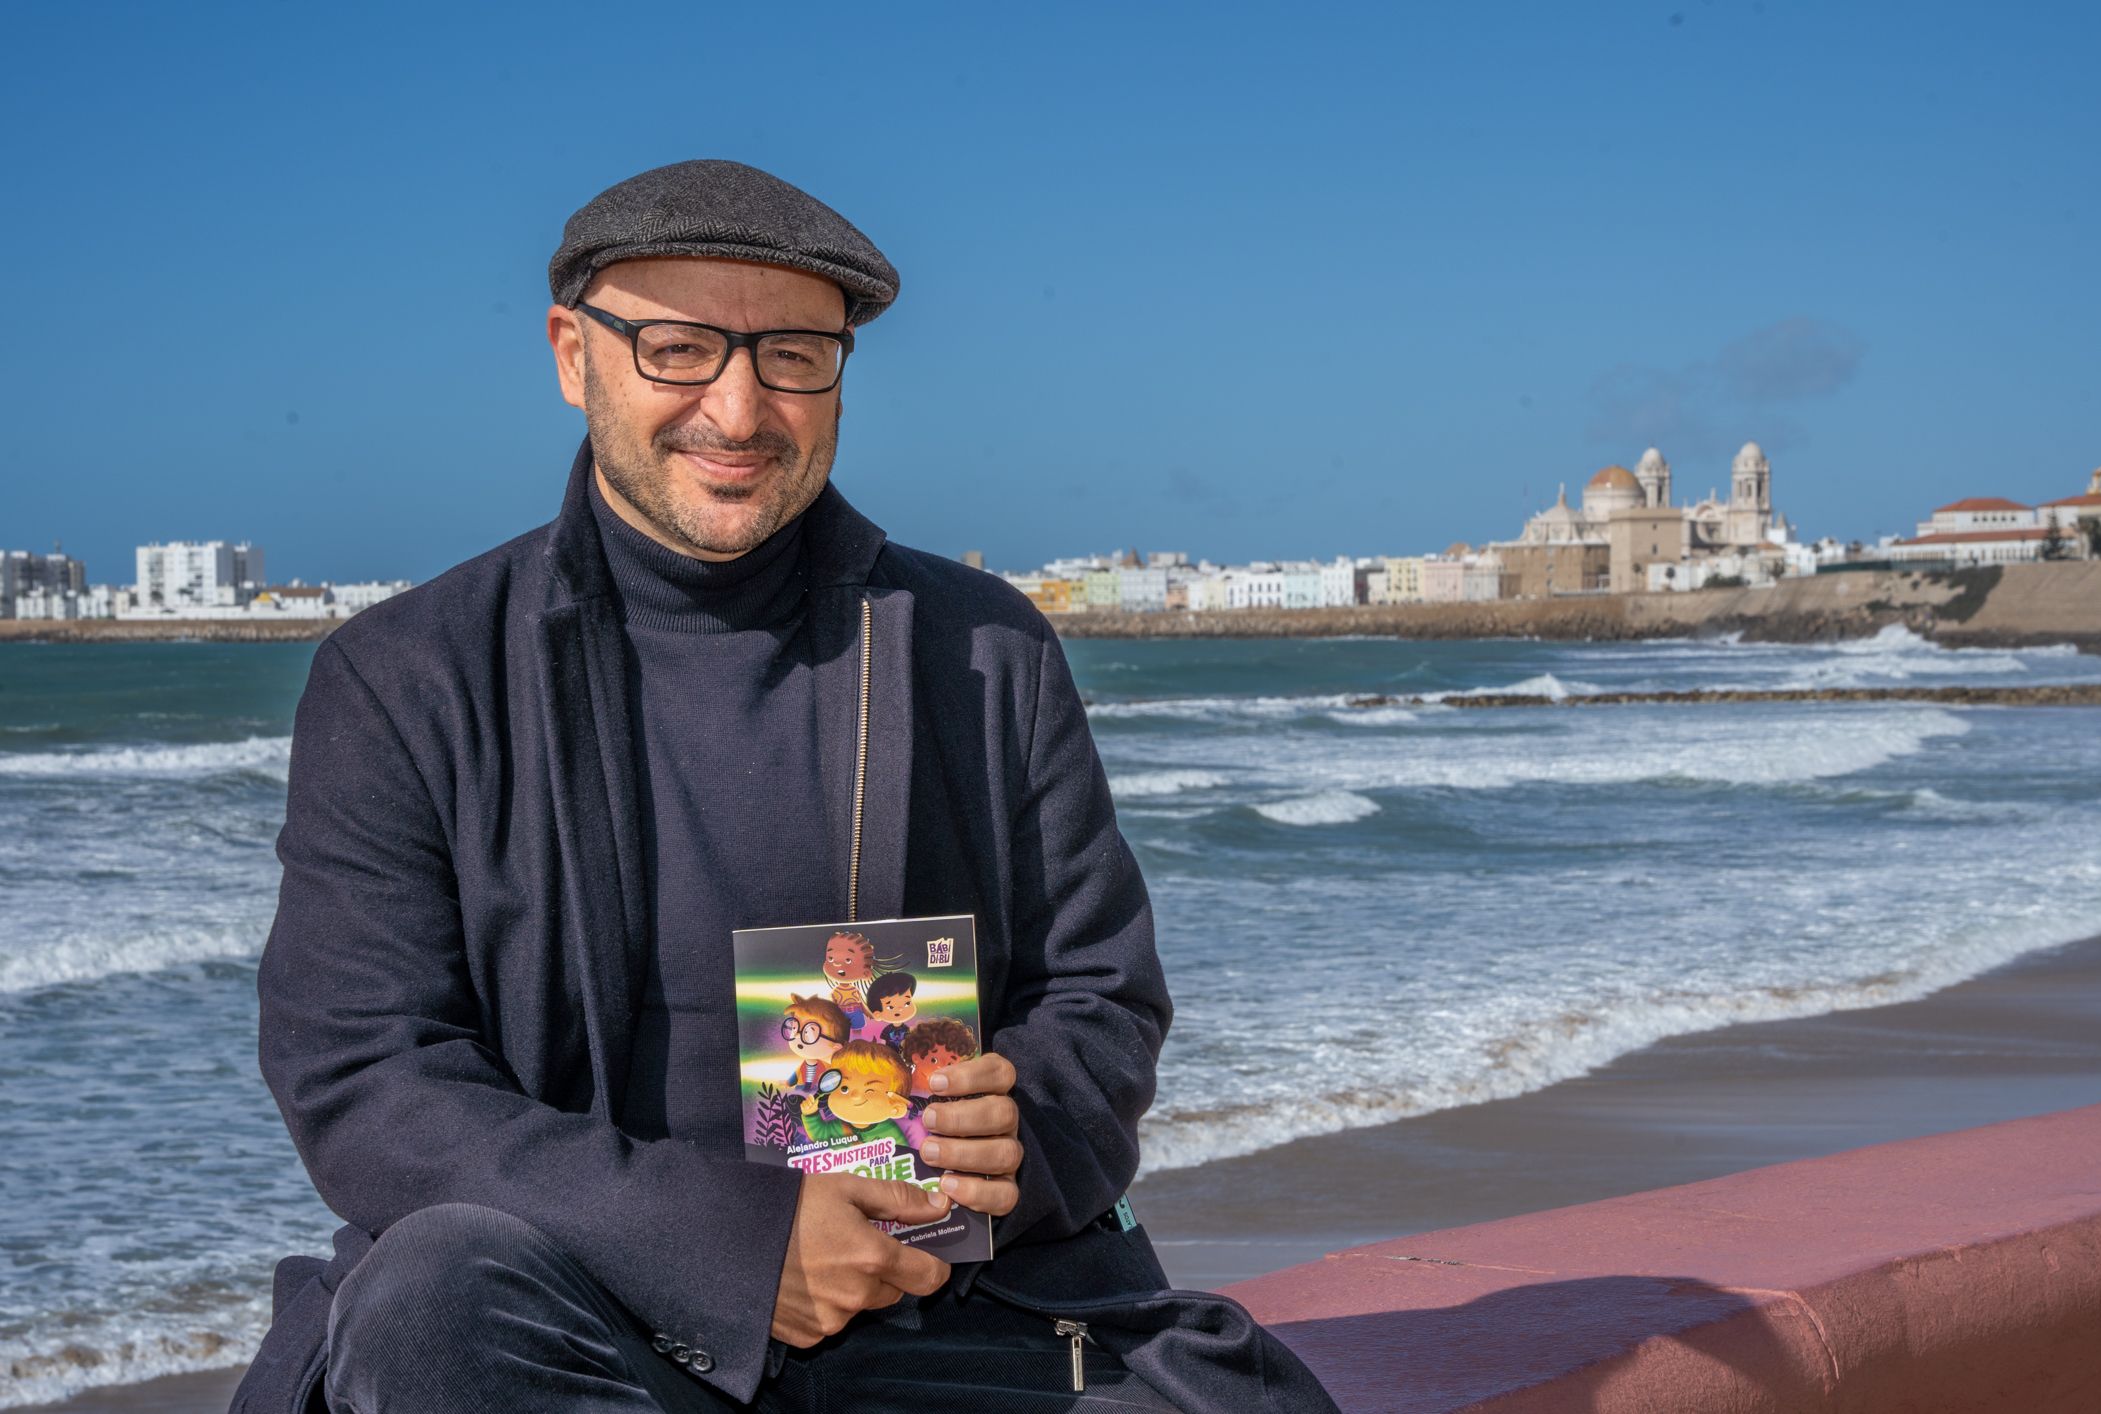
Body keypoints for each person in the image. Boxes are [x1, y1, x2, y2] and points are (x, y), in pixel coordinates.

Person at [234, 160, 1337, 1414]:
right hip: (580, 1315)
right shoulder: (405, 677)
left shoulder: (982, 647)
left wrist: (1014, 1132)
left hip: (948, 1309)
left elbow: (1100, 998)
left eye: (794, 355)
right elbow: (367, 1078)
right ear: (572, 356)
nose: (739, 407)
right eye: (678, 348)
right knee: (432, 1302)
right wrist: (744, 1250)